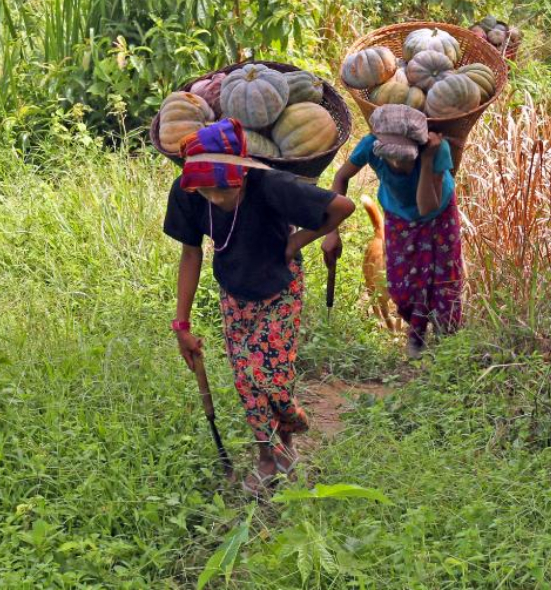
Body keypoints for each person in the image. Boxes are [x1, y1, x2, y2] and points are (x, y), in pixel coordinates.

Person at [163, 118, 355, 494]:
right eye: (206, 192)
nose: (215, 198)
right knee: (246, 381)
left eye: (223, 190)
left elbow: (342, 207)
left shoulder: (271, 186)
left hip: (279, 292)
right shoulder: (188, 191)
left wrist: (295, 244)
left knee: (267, 377)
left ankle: (291, 428)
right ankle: (268, 457)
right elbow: (190, 254)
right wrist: (181, 326)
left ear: (242, 175)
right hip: (234, 295)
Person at [323, 104, 463, 358]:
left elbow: (426, 206)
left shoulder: (436, 151)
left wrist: (428, 160)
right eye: (391, 155)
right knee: (401, 287)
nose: (398, 161)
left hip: (438, 215)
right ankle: (417, 332)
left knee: (444, 280)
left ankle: (447, 345)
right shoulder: (370, 146)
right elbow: (341, 177)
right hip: (398, 216)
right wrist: (332, 231)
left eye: (405, 156)